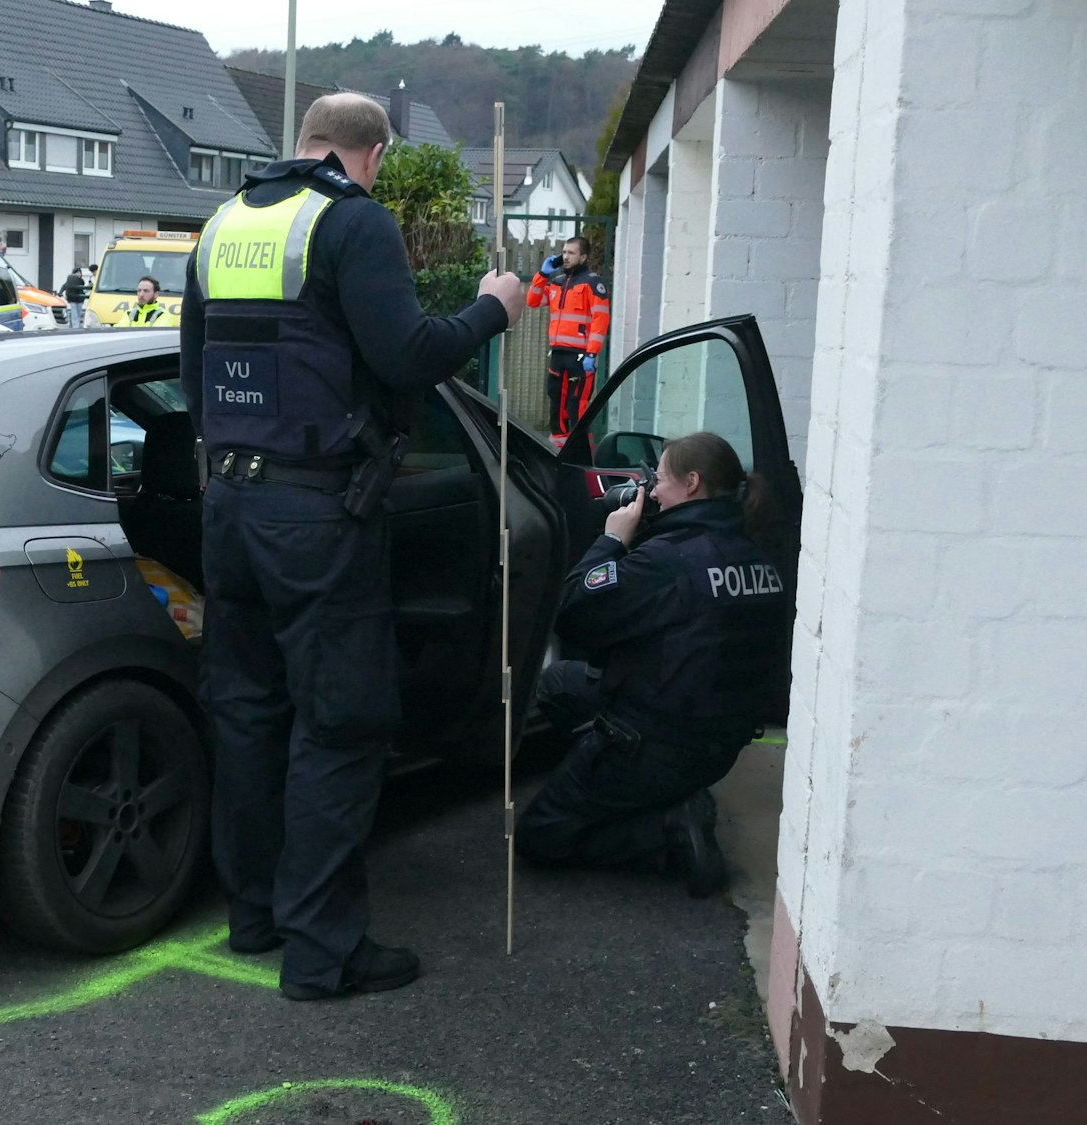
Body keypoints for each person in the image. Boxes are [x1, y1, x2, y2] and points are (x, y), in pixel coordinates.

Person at [180, 92, 523, 1000]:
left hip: (231, 509)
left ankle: (251, 914)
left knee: (251, 715)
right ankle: (322, 951)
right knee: (338, 725)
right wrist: (493, 310)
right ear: (368, 154)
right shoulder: (351, 223)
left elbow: (192, 373)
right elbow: (409, 353)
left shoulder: (221, 226)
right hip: (316, 516)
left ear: (304, 143)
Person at [515, 431, 789, 897]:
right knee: (560, 683)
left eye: (660, 479)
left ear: (692, 483)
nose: (652, 490)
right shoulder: (756, 556)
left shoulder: (669, 561)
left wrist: (612, 541)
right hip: (718, 744)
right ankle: (640, 794)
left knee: (541, 835)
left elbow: (575, 610)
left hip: (655, 743)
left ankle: (667, 833)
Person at [526, 237, 611, 441]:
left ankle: (581, 452)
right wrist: (542, 274)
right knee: (556, 403)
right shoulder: (557, 283)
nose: (565, 257)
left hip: (581, 356)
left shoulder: (593, 283)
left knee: (576, 407)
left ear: (583, 256)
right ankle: (558, 449)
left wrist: (592, 352)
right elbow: (533, 300)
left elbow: (601, 320)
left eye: (571, 253)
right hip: (558, 353)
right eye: (564, 252)